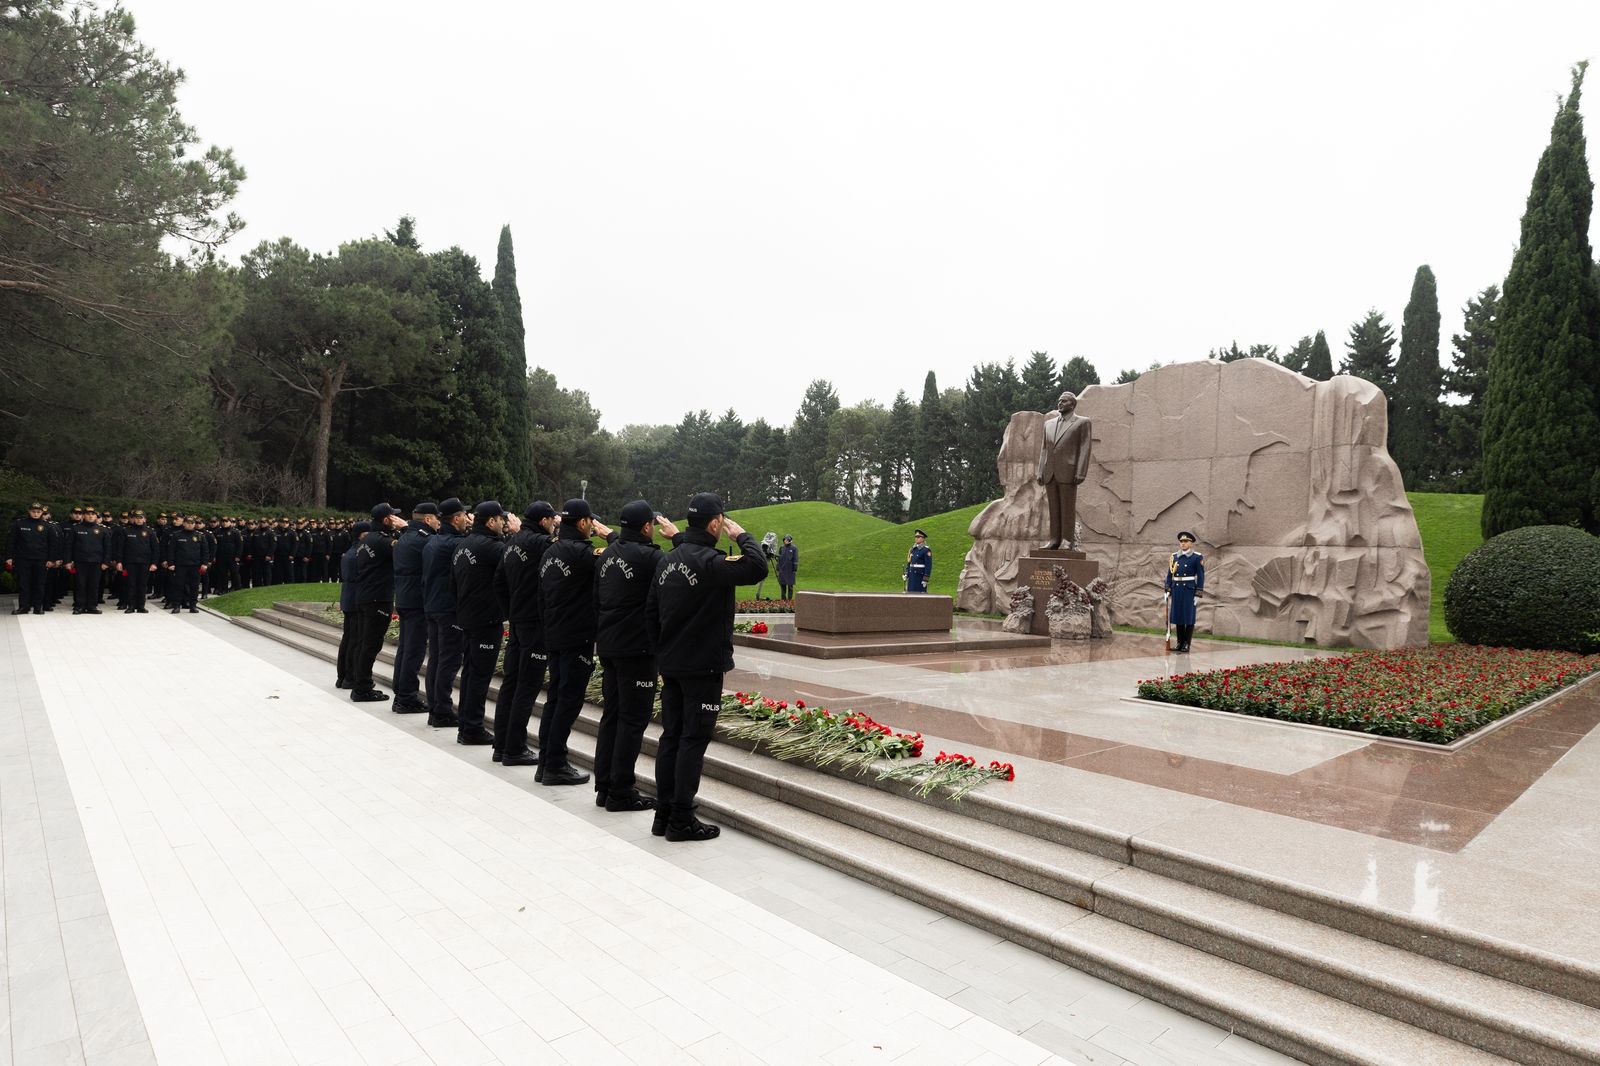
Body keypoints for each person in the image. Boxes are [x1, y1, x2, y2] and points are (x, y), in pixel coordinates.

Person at [646, 492, 768, 841]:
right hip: (702, 668)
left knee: (671, 736)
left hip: (671, 665)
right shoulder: (713, 564)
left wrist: (660, 656)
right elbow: (757, 567)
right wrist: (742, 536)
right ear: (715, 524)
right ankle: (681, 819)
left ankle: (664, 814)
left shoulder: (666, 562)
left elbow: (650, 614)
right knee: (692, 740)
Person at [594, 500, 678, 812]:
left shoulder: (607, 556)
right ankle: (621, 791)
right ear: (646, 527)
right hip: (637, 649)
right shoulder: (652, 557)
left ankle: (605, 786)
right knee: (632, 720)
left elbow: (596, 598)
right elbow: (678, 573)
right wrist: (678, 537)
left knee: (612, 715)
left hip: (609, 645)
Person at [536, 499, 614, 787]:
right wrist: (611, 536)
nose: (592, 526)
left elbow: (541, 596)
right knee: (568, 701)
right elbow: (622, 555)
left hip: (554, 633)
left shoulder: (550, 551)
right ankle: (555, 764)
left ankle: (546, 762)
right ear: (582, 523)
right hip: (575, 636)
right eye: (591, 522)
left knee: (555, 699)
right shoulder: (584, 553)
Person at [492, 501, 559, 766]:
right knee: (527, 685)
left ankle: (501, 744)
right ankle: (515, 748)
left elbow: (498, 582)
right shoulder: (541, 543)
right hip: (534, 622)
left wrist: (511, 611)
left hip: (518, 620)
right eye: (552, 519)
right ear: (543, 521)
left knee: (511, 683)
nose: (554, 523)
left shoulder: (511, 543)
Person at [452, 501, 512, 746]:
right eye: (501, 519)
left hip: (468, 616)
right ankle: (472, 728)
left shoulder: (463, 545)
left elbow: (453, 584)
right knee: (479, 675)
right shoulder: (492, 547)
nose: (504, 523)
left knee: (470, 672)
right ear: (490, 521)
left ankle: (466, 724)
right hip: (486, 619)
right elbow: (515, 565)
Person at [348, 503, 405, 702]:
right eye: (393, 517)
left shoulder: (367, 539)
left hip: (365, 596)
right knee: (371, 644)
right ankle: (363, 688)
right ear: (386, 519)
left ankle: (359, 683)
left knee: (364, 643)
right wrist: (405, 529)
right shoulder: (382, 540)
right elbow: (405, 550)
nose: (396, 520)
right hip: (377, 598)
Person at [421, 498, 469, 727]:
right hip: (448, 608)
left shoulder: (432, 541)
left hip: (432, 604)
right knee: (449, 660)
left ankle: (435, 708)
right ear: (456, 518)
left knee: (436, 658)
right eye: (464, 516)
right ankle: (442, 710)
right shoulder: (455, 544)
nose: (467, 519)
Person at [390, 502, 438, 714]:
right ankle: (407, 698)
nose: (438, 522)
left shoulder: (405, 537)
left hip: (404, 598)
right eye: (436, 518)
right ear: (427, 519)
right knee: (414, 650)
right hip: (417, 601)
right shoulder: (424, 540)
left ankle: (400, 693)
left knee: (405, 648)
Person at [1037, 390, 1093, 550]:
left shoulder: (1082, 422)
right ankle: (1054, 540)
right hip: (1050, 472)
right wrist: (1040, 471)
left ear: (1072, 404)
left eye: (1064, 401)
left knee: (1067, 508)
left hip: (1069, 471)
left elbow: (1085, 448)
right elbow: (1044, 449)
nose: (1060, 403)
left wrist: (1081, 471)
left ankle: (1067, 541)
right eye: (1059, 401)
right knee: (1053, 508)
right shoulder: (1048, 424)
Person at [335, 521, 372, 689]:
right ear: (362, 535)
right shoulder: (358, 553)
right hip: (355, 599)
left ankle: (342, 676)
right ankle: (349, 677)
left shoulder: (351, 551)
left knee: (348, 638)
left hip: (349, 598)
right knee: (354, 640)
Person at [6, 501, 51, 615]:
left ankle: (38, 607)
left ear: (42, 513)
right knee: (24, 584)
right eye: (33, 511)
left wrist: (51, 559)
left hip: (41, 559)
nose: (36, 514)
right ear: (29, 511)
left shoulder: (47, 525)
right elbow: (11, 541)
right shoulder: (19, 524)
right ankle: (24, 607)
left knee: (39, 584)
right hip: (23, 559)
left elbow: (52, 544)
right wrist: (9, 557)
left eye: (38, 512)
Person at [1164, 531, 1205, 653]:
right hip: (1177, 589)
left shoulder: (1197, 557)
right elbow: (1169, 574)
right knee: (1178, 616)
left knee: (1189, 617)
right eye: (1181, 541)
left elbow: (1201, 576)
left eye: (1186, 541)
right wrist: (1167, 589)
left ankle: (1186, 643)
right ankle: (1179, 643)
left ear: (1191, 543)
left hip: (1189, 590)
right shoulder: (1174, 557)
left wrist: (1198, 593)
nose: (1183, 543)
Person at [164, 514, 213, 613]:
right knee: (178, 586)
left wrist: (204, 563)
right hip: (180, 565)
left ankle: (193, 606)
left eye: (192, 523)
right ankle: (176, 606)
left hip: (195, 565)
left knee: (194, 587)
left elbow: (205, 551)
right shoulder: (177, 535)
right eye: (188, 523)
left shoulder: (200, 535)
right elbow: (171, 551)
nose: (190, 525)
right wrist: (171, 563)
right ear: (184, 523)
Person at [69, 506, 109, 614]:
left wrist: (106, 562)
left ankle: (92, 606)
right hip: (80, 561)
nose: (90, 516)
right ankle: (79, 606)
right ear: (83, 516)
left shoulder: (102, 529)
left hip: (96, 562)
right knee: (80, 584)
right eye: (88, 514)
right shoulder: (76, 528)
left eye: (93, 514)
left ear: (96, 516)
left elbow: (107, 548)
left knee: (94, 584)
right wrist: (68, 561)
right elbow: (69, 546)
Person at [117, 510, 158, 613]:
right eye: (136, 518)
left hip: (145, 563)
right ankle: (131, 606)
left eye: (141, 518)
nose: (139, 520)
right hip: (130, 562)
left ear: (144, 519)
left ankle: (141, 606)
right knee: (131, 584)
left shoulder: (150, 531)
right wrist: (119, 561)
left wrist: (154, 563)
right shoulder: (126, 531)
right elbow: (120, 548)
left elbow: (155, 549)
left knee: (142, 584)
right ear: (133, 519)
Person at [776, 534, 798, 600]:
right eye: (785, 540)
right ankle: (783, 599)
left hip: (790, 570)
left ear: (790, 540)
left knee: (790, 586)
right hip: (782, 569)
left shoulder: (794, 548)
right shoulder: (781, 547)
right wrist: (778, 566)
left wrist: (795, 568)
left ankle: (789, 600)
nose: (785, 541)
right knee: (782, 585)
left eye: (787, 540)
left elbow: (795, 558)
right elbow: (779, 558)